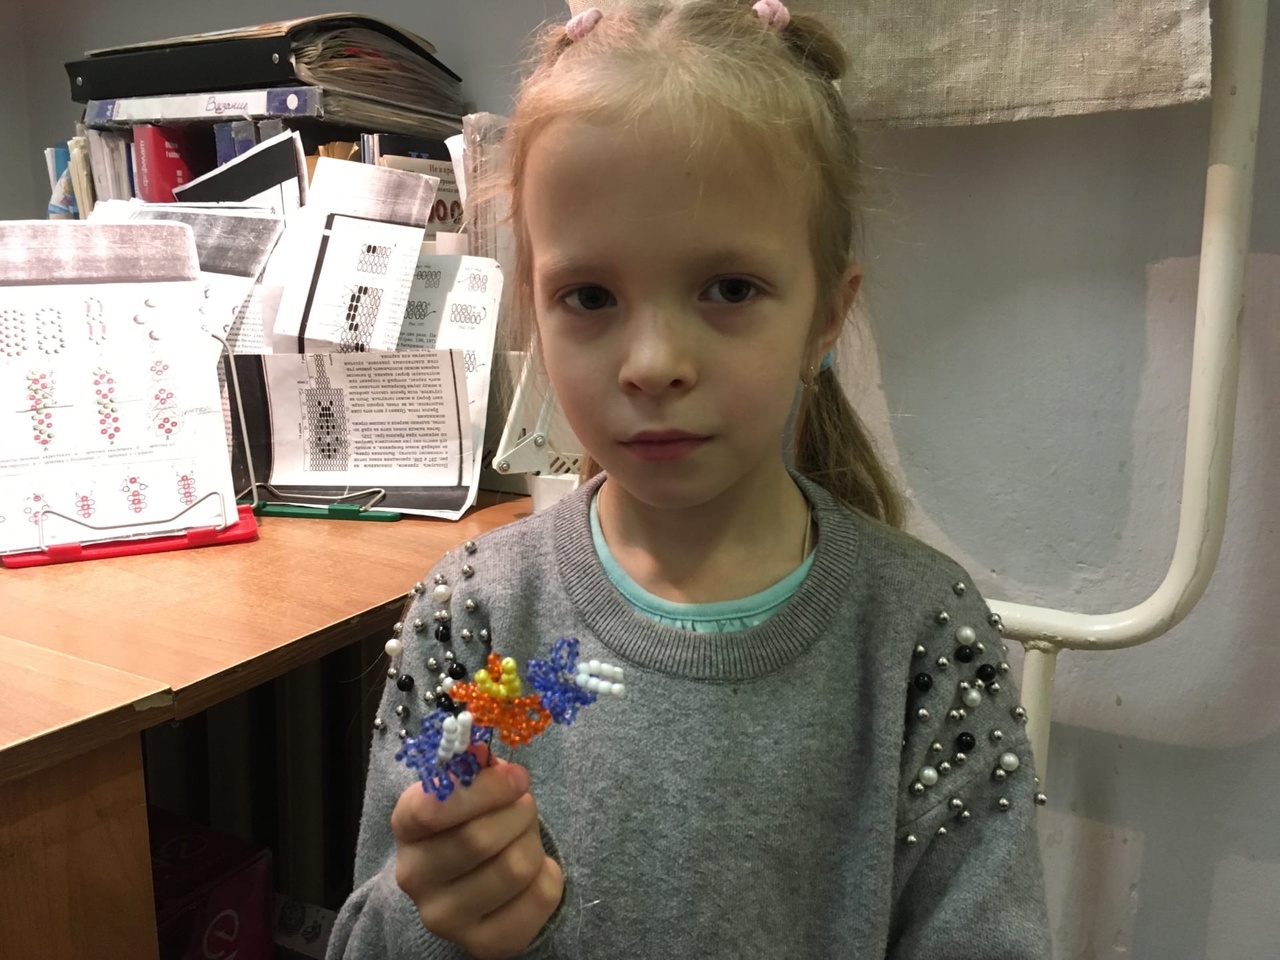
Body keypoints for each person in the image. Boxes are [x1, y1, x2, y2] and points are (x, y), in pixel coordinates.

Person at [328, 1, 1053, 957]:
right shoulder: (486, 623)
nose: (654, 364)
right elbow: (382, 916)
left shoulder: (918, 640)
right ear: (535, 314)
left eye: (729, 289)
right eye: (590, 296)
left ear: (825, 318)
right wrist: (439, 919)